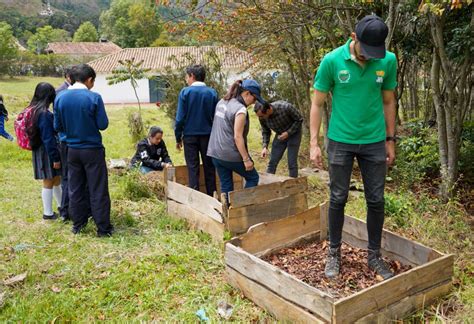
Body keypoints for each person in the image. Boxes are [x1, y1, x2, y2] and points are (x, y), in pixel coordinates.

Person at [310, 15, 397, 280]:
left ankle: (374, 255)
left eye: (376, 53)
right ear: (353, 37)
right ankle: (334, 254)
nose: (371, 57)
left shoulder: (388, 60)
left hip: (373, 141)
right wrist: (313, 143)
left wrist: (390, 139)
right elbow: (318, 103)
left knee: (376, 199)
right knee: (338, 197)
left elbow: (388, 101)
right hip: (340, 140)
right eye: (366, 51)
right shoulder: (331, 61)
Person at [54, 63, 113, 237]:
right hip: (92, 149)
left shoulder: (60, 98)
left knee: (75, 187)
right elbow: (103, 124)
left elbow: (57, 126)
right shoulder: (94, 97)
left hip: (71, 149)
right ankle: (103, 228)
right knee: (98, 188)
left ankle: (78, 224)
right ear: (89, 80)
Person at [207, 79, 265, 198]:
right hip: (230, 154)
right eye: (254, 99)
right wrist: (246, 159)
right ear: (247, 93)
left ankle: (228, 211)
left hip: (215, 153)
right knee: (253, 177)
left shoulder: (222, 101)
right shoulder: (240, 109)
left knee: (226, 184)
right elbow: (238, 137)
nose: (254, 103)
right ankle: (241, 206)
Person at [175, 65, 218, 196]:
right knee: (209, 168)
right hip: (208, 136)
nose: (186, 79)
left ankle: (196, 198)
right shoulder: (212, 93)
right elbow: (216, 117)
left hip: (190, 136)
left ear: (192, 76)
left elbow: (179, 118)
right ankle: (213, 197)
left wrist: (178, 137)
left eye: (187, 76)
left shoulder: (185, 92)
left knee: (192, 168)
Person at [26, 83, 62, 220]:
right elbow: (48, 138)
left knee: (56, 178)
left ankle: (61, 205)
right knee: (48, 180)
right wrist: (55, 158)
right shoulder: (44, 114)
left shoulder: (32, 110)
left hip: (38, 150)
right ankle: (48, 213)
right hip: (46, 151)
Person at [254, 101, 303, 178]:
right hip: (280, 135)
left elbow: (299, 119)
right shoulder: (262, 118)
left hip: (294, 134)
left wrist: (288, 133)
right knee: (272, 162)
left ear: (268, 110)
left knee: (292, 162)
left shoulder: (286, 107)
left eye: (262, 116)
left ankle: (293, 185)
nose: (260, 118)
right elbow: (266, 131)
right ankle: (268, 184)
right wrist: (265, 146)